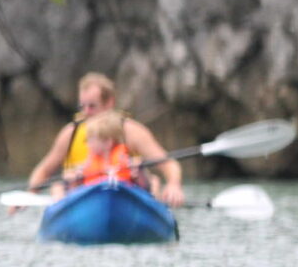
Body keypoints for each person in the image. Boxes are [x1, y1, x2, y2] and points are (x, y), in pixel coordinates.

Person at [25, 72, 183, 206]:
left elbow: (169, 164)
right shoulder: (70, 133)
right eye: (82, 106)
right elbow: (44, 170)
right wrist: (29, 195)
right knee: (57, 185)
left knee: (153, 181)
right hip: (81, 199)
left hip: (125, 197)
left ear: (109, 103)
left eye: (92, 106)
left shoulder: (131, 132)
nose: (86, 112)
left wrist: (173, 185)